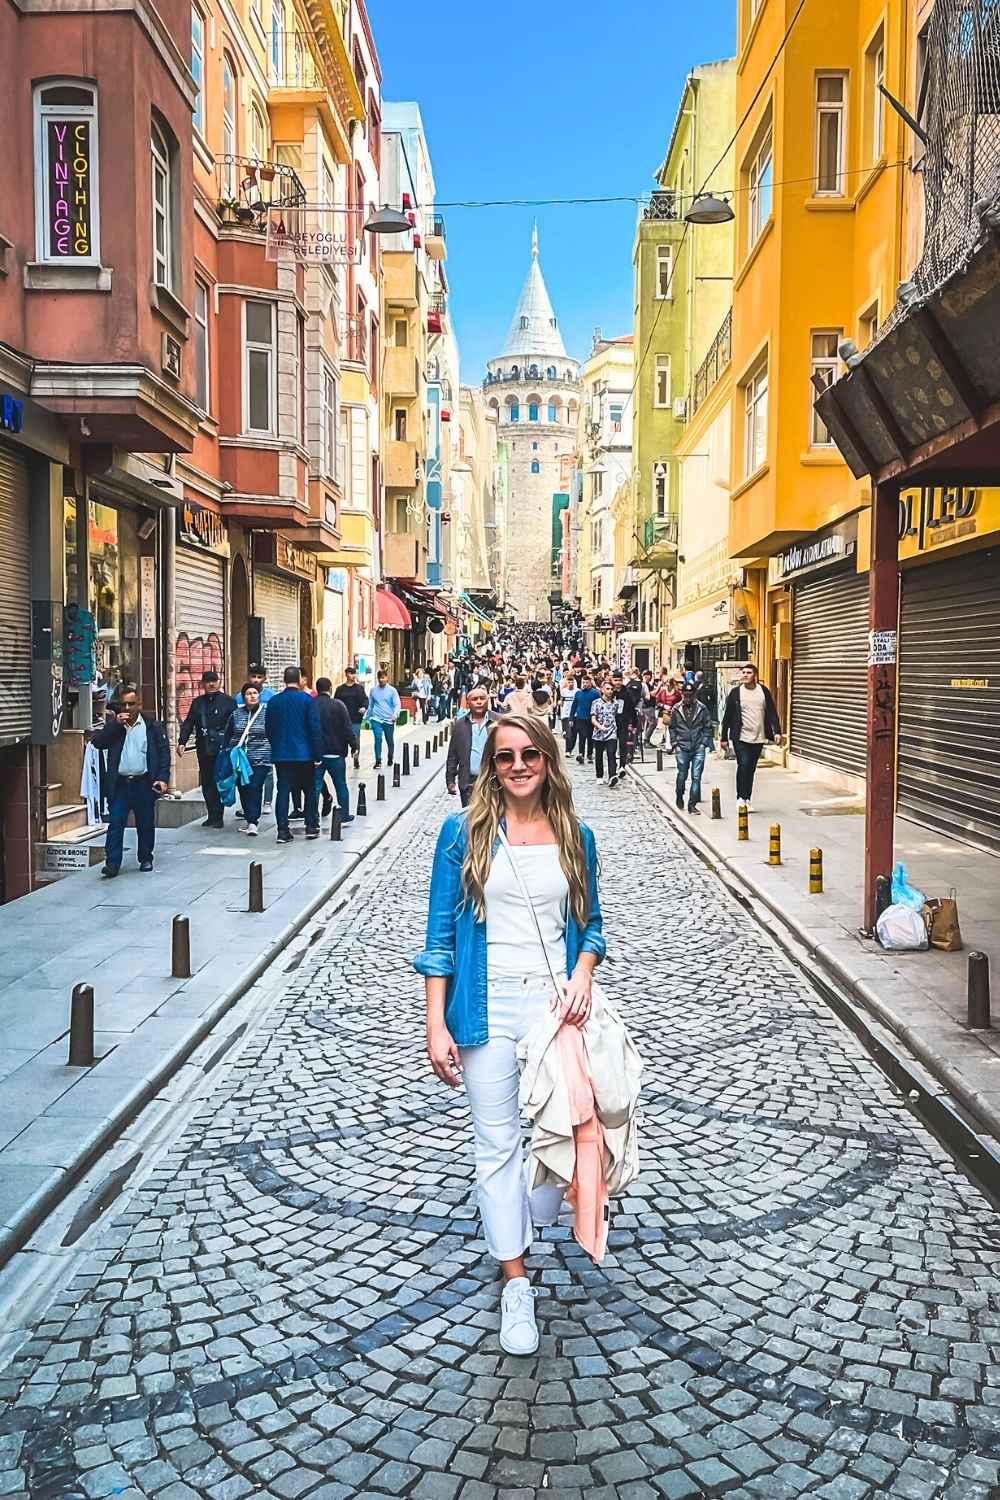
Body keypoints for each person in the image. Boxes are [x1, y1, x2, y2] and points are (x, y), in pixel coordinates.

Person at [415, 714, 605, 1356]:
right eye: (504, 757)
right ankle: (516, 1282)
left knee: (570, 1136)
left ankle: (527, 1213)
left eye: (529, 754)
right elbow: (440, 937)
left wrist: (582, 972)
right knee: (497, 1146)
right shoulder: (461, 834)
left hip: (556, 1013)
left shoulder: (576, 837)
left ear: (548, 760)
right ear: (490, 767)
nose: (517, 765)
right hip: (484, 1011)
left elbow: (593, 926)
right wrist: (435, 1021)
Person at [92, 685, 170, 877]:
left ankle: (145, 858)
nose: (127, 708)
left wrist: (162, 778)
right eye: (124, 704)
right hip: (120, 784)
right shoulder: (115, 726)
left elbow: (163, 754)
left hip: (144, 782)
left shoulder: (151, 726)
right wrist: (115, 725)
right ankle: (112, 864)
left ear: (139, 704)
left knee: (145, 823)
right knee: (116, 823)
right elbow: (98, 743)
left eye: (131, 704)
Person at [264, 666, 323, 843]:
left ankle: (282, 831)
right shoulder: (307, 700)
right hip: (304, 754)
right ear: (299, 680)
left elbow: (269, 728)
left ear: (284, 679)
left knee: (283, 791)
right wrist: (317, 754)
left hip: (282, 755)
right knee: (310, 791)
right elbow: (314, 728)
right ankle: (311, 826)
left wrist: (276, 745)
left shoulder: (274, 702)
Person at [178, 669, 236, 829]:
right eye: (208, 681)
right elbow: (189, 722)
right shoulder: (198, 703)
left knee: (219, 781)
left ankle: (219, 816)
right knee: (206, 782)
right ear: (203, 684)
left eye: (214, 680)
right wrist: (182, 741)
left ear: (219, 682)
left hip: (222, 749)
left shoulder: (228, 702)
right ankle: (211, 815)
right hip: (204, 748)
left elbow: (235, 725)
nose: (211, 684)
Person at [720, 664, 783, 812]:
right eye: (744, 672)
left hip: (758, 736)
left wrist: (777, 732)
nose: (745, 675)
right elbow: (727, 716)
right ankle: (740, 798)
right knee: (743, 765)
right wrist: (724, 738)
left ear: (755, 675)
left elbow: (772, 712)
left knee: (751, 768)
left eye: (749, 672)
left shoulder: (763, 691)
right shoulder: (735, 693)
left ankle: (747, 798)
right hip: (740, 736)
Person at [225, 682, 273, 835]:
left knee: (254, 786)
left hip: (261, 757)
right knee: (244, 788)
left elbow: (274, 733)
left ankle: (253, 821)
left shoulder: (267, 713)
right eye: (248, 693)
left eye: (255, 693)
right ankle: (249, 816)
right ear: (243, 697)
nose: (252, 696)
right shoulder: (236, 714)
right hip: (240, 760)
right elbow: (229, 734)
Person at [315, 677, 357, 826]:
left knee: (315, 786)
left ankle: (312, 818)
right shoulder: (339, 705)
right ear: (330, 688)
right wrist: (354, 745)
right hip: (336, 752)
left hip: (316, 754)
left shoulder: (311, 705)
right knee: (340, 784)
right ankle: (344, 814)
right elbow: (347, 727)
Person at [235, 663, 276, 813]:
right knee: (245, 774)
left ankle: (267, 801)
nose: (256, 680)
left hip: (265, 741)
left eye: (259, 677)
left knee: (268, 772)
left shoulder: (271, 695)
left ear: (265, 678)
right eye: (253, 676)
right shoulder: (239, 697)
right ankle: (247, 806)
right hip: (246, 743)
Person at [669, 682, 715, 815]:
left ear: (694, 695)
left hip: (697, 746)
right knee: (682, 774)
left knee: (696, 776)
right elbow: (672, 727)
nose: (688, 698)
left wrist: (703, 743)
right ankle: (679, 794)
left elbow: (707, 727)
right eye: (685, 695)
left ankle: (692, 804)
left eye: (690, 695)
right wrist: (675, 744)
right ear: (682, 694)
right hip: (682, 746)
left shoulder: (702, 708)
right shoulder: (676, 709)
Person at [446, 685, 491, 807]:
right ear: (468, 703)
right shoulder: (460, 725)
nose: (479, 702)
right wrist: (450, 780)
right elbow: (452, 755)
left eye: (482, 698)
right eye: (475, 699)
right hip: (468, 781)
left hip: (491, 781)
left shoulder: (498, 722)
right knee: (468, 818)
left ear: (487, 700)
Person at [334, 665, 368, 771]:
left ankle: (356, 758)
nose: (353, 676)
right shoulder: (340, 689)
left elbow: (365, 700)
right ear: (346, 675)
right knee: (342, 739)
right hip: (342, 720)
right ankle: (342, 757)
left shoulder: (359, 688)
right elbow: (336, 702)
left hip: (355, 719)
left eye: (354, 673)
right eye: (351, 673)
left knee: (355, 739)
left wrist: (364, 707)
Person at [368, 669, 401, 768]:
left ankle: (390, 756)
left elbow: (397, 704)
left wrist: (395, 714)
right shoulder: (373, 690)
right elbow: (371, 705)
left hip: (388, 719)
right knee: (378, 738)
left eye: (383, 677)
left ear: (387, 678)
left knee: (389, 740)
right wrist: (368, 717)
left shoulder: (392, 691)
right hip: (376, 718)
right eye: (379, 678)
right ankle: (378, 760)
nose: (381, 680)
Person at [590, 680, 619, 788]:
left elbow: (615, 715)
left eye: (611, 689)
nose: (610, 691)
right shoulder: (596, 703)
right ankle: (599, 776)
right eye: (608, 689)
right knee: (599, 756)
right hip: (599, 733)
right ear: (602, 690)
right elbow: (593, 718)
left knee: (611, 753)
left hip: (612, 732)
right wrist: (599, 726)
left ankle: (612, 776)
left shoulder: (615, 704)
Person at [568, 672, 599, 763]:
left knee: (590, 737)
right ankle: (581, 754)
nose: (585, 684)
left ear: (590, 683)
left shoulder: (595, 693)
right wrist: (571, 718)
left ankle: (589, 753)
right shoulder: (578, 693)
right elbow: (574, 706)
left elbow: (599, 705)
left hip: (591, 719)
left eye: (587, 682)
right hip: (580, 718)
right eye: (583, 682)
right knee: (581, 737)